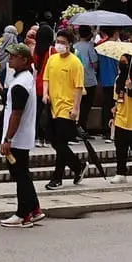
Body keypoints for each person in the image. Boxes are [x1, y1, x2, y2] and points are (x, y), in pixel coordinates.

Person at [0, 42, 43, 227]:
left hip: (17, 138)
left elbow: (16, 113)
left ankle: (22, 215)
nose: (10, 58)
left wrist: (8, 139)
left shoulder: (20, 84)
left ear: (24, 60)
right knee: (22, 173)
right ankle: (34, 209)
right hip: (22, 136)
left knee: (20, 175)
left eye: (14, 56)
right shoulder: (26, 78)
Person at [42, 28, 87, 189]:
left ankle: (57, 178)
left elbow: (79, 87)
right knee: (54, 142)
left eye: (63, 42)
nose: (59, 45)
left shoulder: (75, 63)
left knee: (61, 143)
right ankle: (77, 166)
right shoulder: (52, 59)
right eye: (58, 42)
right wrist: (45, 94)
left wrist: (76, 109)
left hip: (67, 108)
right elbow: (46, 78)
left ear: (70, 44)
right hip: (52, 106)